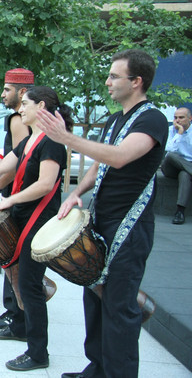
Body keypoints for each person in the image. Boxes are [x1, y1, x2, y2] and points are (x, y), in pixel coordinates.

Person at [36, 49, 168, 378]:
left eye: (114, 76)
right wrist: (76, 193)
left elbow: (121, 156)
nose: (107, 81)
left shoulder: (152, 119)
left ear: (136, 81)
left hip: (131, 226)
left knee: (119, 307)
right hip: (102, 220)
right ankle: (96, 369)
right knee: (94, 300)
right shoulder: (115, 119)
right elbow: (101, 163)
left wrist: (66, 138)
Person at [0, 86, 71, 372]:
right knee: (20, 281)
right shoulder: (30, 141)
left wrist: (7, 200)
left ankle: (38, 354)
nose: (20, 109)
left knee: (30, 287)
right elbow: (0, 167)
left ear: (42, 106)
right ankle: (22, 329)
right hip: (23, 215)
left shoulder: (52, 142)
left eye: (25, 104)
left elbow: (46, 184)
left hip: (39, 218)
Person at [0, 68, 34, 330]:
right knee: (12, 256)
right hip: (17, 195)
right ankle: (13, 311)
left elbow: (17, 163)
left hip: (18, 196)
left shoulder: (17, 120)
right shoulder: (21, 118)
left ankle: (17, 314)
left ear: (22, 91)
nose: (2, 94)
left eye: (7, 89)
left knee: (11, 256)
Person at [161, 106, 192, 224]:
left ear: (190, 118)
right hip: (170, 166)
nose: (177, 121)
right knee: (171, 155)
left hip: (187, 167)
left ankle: (180, 211)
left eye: (181, 118)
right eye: (175, 118)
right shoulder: (170, 130)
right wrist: (179, 133)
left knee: (184, 175)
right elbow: (169, 149)